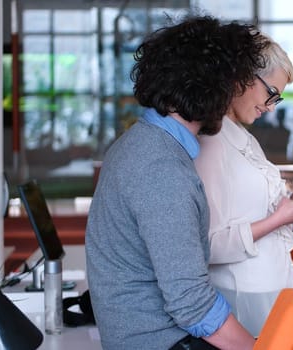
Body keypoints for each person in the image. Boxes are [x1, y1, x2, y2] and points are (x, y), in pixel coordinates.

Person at [85, 14, 268, 350]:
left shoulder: (139, 142)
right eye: (230, 89)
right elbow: (193, 306)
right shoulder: (162, 168)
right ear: (211, 90)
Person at [194, 34, 293, 337]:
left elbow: (274, 219)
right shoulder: (213, 142)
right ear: (242, 77)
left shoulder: (244, 138)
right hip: (246, 296)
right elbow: (209, 246)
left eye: (277, 99)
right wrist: (279, 218)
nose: (271, 108)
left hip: (274, 287)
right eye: (271, 93)